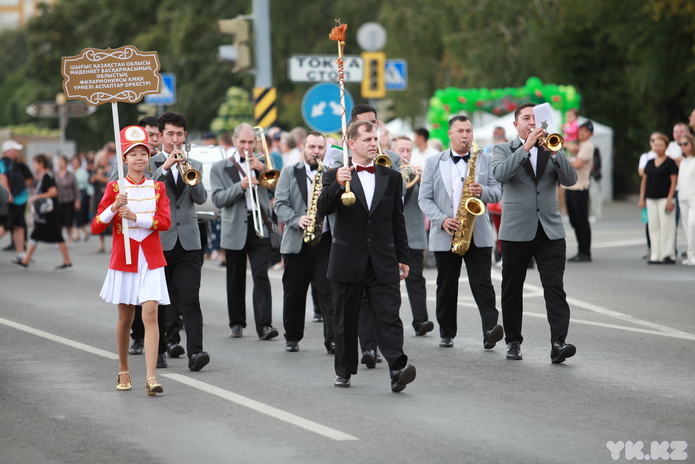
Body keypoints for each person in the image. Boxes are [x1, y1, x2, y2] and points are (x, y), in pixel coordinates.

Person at [317, 120, 416, 392]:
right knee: (346, 320)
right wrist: (337, 184)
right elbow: (322, 209)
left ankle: (398, 368)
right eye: (368, 139)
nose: (374, 143)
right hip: (348, 259)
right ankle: (344, 370)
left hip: (383, 259)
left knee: (389, 316)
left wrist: (403, 257)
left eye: (376, 138)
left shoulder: (392, 177)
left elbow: (398, 220)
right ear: (351, 144)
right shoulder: (335, 174)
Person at [491, 102, 578, 364]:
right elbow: (500, 174)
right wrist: (526, 147)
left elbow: (571, 179)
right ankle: (513, 342)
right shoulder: (502, 149)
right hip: (517, 229)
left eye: (535, 118)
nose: (531, 122)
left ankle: (558, 343)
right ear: (515, 124)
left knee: (554, 287)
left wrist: (554, 152)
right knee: (512, 287)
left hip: (550, 230)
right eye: (526, 118)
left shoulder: (552, 145)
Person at [93, 125, 171, 395]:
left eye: (143, 153)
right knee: (125, 319)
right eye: (133, 154)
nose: (139, 158)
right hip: (125, 257)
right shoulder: (115, 187)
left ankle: (151, 377)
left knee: (151, 312)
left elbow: (164, 222)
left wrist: (136, 217)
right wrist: (114, 208)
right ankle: (124, 368)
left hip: (150, 258)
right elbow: (95, 225)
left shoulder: (158, 187)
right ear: (124, 159)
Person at [418, 116, 504, 349]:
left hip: (478, 232)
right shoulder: (433, 162)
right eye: (460, 131)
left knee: (482, 283)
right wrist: (442, 220)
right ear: (450, 134)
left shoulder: (484, 159)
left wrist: (482, 190)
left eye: (469, 130)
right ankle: (447, 331)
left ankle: (490, 329)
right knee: (446, 285)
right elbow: (424, 199)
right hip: (446, 232)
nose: (465, 135)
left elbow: (498, 192)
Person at [149, 112, 210, 371]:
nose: (175, 139)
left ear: (185, 136)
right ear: (161, 136)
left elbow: (200, 197)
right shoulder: (150, 163)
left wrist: (185, 170)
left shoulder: (194, 162)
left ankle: (196, 352)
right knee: (162, 299)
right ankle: (160, 349)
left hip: (188, 242)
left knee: (190, 299)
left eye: (180, 134)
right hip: (160, 241)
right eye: (170, 134)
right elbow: (146, 193)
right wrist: (165, 169)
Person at [210, 123, 278, 341]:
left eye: (251, 142)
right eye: (243, 142)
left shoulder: (265, 162)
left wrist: (261, 168)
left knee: (261, 275)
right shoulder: (220, 167)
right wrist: (240, 186)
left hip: (261, 226)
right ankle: (237, 323)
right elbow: (218, 199)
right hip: (235, 226)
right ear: (234, 142)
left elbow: (278, 188)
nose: (247, 146)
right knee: (235, 277)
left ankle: (264, 326)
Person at [273, 131, 335, 353]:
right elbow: (279, 204)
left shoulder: (330, 173)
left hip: (325, 240)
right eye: (312, 147)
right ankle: (292, 336)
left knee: (328, 292)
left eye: (320, 147)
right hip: (297, 241)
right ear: (303, 148)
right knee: (294, 291)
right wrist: (296, 219)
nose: (316, 151)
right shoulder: (290, 171)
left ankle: (332, 340)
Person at [392, 136, 434, 337]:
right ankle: (391, 323)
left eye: (408, 150)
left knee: (416, 279)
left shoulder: (418, 175)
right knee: (390, 283)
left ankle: (421, 321)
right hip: (390, 238)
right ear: (392, 152)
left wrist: (422, 178)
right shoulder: (387, 173)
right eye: (401, 150)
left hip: (414, 236)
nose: (406, 154)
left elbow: (428, 199)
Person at [12, 155, 73, 271]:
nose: (34, 165)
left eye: (35, 163)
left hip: (49, 212)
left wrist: (37, 197)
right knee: (36, 234)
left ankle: (67, 262)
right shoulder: (42, 176)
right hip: (45, 213)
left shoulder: (47, 176)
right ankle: (25, 261)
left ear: (41, 163)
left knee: (56, 236)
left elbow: (53, 192)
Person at [639, 132, 678, 264]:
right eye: (655, 145)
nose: (658, 148)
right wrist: (642, 197)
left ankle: (668, 254)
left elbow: (674, 181)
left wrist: (670, 198)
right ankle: (656, 254)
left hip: (664, 198)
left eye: (661, 145)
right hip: (651, 198)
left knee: (666, 226)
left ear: (666, 146)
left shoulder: (670, 162)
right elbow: (644, 180)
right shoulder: (649, 162)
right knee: (653, 227)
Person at [564, 120, 595, 262]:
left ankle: (585, 252)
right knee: (574, 220)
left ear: (590, 134)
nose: (581, 133)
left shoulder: (587, 146)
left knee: (582, 220)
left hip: (580, 187)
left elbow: (577, 164)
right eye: (580, 130)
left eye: (585, 131)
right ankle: (580, 250)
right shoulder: (578, 145)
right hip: (570, 187)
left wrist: (560, 160)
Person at [0, 140, 32, 263]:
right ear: (9, 150)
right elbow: (2, 177)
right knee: (6, 226)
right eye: (15, 150)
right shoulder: (4, 162)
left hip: (19, 201)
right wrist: (8, 194)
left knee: (19, 226)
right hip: (12, 201)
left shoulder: (14, 163)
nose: (17, 152)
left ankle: (21, 254)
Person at [54, 155, 80, 247]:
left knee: (68, 221)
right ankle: (59, 239)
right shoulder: (55, 174)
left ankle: (70, 239)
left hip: (69, 200)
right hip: (58, 200)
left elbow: (76, 188)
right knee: (59, 221)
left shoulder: (70, 175)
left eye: (61, 161)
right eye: (58, 161)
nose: (59, 163)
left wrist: (77, 200)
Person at [677, 133, 695, 265]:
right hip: (682, 197)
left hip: (693, 198)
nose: (683, 146)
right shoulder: (683, 161)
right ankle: (690, 254)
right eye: (681, 144)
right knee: (686, 227)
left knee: (692, 225)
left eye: (685, 144)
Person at [71, 155, 93, 242]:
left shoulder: (82, 172)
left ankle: (77, 233)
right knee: (79, 214)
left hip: (82, 193)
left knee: (80, 213)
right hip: (73, 194)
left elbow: (85, 183)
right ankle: (85, 232)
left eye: (76, 162)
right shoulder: (71, 171)